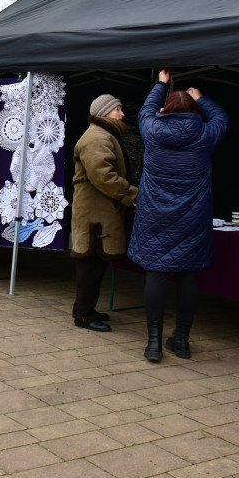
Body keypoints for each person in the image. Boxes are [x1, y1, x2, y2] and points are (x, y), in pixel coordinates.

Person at [128, 69, 229, 361]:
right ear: (194, 110)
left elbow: (146, 109)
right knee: (187, 276)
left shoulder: (152, 131)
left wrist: (161, 84)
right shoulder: (204, 134)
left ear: (166, 110)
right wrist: (202, 99)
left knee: (156, 272)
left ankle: (154, 343)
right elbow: (222, 119)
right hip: (192, 218)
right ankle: (181, 340)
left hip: (155, 217)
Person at [70, 94, 138, 332]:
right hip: (94, 215)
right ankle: (84, 316)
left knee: (95, 265)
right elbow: (103, 175)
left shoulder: (104, 135)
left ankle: (84, 309)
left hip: (98, 212)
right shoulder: (97, 137)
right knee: (90, 265)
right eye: (117, 109)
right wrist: (130, 193)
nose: (121, 114)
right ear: (105, 112)